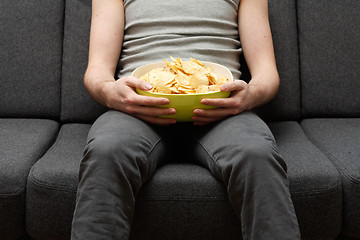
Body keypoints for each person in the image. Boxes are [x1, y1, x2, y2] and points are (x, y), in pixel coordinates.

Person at [71, 0, 301, 239]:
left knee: (257, 153)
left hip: (221, 114)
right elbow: (97, 72)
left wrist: (250, 95)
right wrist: (112, 93)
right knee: (106, 151)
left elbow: (267, 74)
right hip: (138, 113)